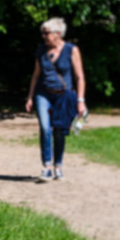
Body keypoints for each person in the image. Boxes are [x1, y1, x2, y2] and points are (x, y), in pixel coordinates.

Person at [25, 17, 87, 182]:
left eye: (46, 33)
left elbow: (79, 77)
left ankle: (58, 166)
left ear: (57, 34)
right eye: (43, 33)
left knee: (59, 131)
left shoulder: (71, 50)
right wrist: (30, 96)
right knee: (45, 128)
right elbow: (36, 75)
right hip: (43, 94)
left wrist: (80, 100)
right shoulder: (41, 51)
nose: (44, 36)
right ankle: (46, 167)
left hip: (63, 96)